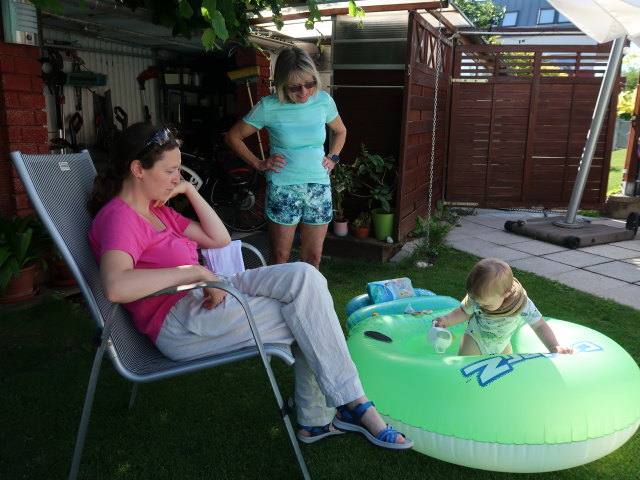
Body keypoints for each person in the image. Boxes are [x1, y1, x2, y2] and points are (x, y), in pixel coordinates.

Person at [87, 123, 411, 450]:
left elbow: (219, 239)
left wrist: (190, 192)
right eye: (171, 171)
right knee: (308, 314)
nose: (177, 178)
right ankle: (349, 407)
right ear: (137, 169)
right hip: (183, 322)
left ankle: (332, 414)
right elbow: (116, 285)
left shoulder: (159, 211)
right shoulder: (121, 217)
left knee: (305, 277)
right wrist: (195, 273)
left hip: (210, 294)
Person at [225, 46, 347, 269]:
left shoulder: (324, 101)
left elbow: (341, 131)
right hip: (284, 188)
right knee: (279, 257)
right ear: (281, 83)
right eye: (295, 87)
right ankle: (276, 301)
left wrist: (334, 157)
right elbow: (233, 136)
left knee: (313, 258)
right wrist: (258, 163)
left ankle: (307, 303)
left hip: (318, 187)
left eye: (309, 84)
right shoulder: (268, 106)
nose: (303, 92)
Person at [433, 258, 574, 356]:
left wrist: (553, 346)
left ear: (506, 294)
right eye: (475, 300)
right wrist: (446, 320)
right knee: (465, 368)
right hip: (475, 339)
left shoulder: (521, 305)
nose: (479, 305)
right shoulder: (478, 297)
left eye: (485, 303)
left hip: (502, 344)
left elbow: (539, 325)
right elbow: (464, 312)